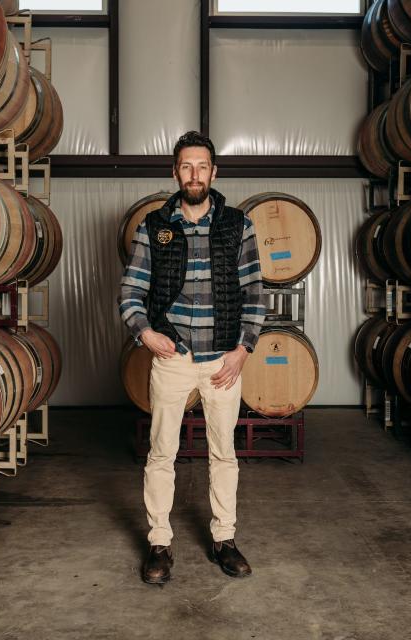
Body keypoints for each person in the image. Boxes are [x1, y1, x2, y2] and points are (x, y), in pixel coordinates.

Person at [117, 131, 266, 585]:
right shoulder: (154, 226)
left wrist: (243, 349)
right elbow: (131, 292)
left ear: (214, 172)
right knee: (162, 452)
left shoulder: (238, 224)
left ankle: (225, 539)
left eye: (202, 166)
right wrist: (145, 334)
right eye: (186, 166)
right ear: (175, 172)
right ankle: (159, 543)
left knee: (224, 454)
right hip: (174, 358)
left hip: (223, 360)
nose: (195, 174)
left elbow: (254, 293)